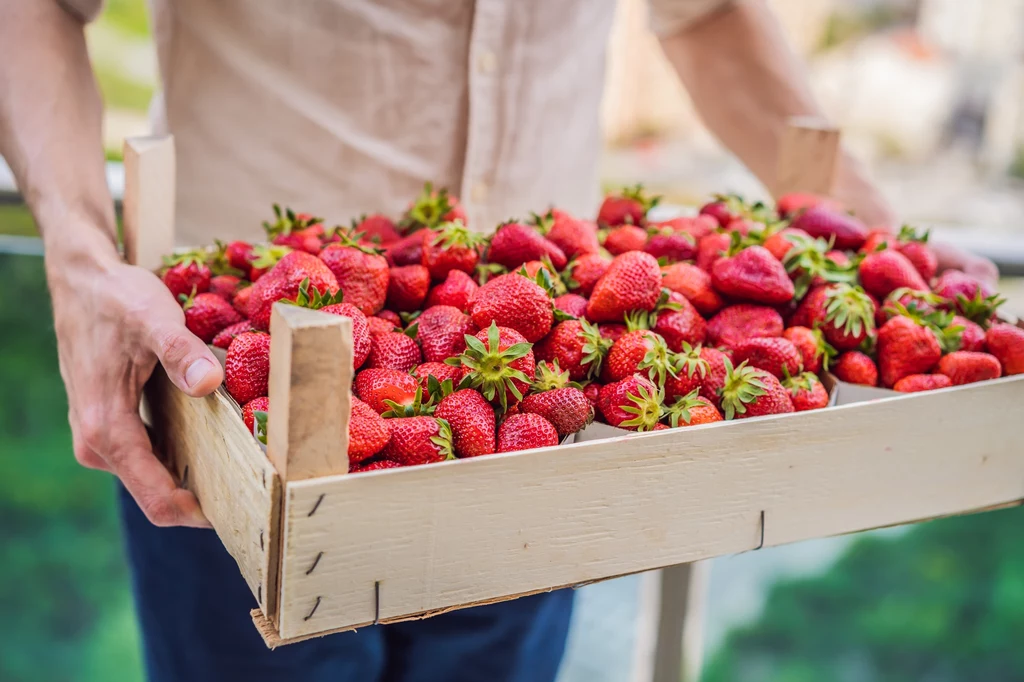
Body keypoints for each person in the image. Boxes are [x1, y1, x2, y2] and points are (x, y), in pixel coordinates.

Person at [0, 1, 998, 681]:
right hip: (225, 396)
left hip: (540, 423)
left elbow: (704, 14)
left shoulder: (560, 364)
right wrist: (78, 259)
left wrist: (862, 223)